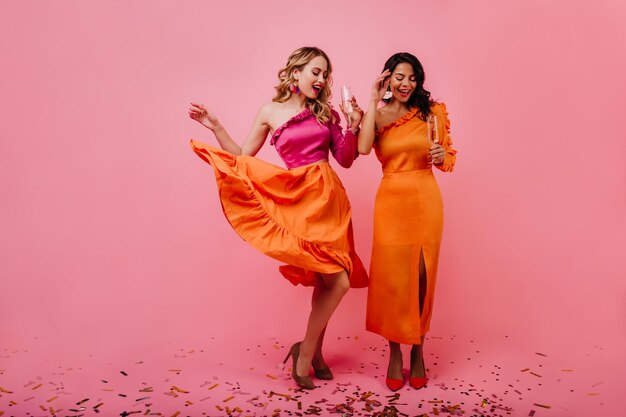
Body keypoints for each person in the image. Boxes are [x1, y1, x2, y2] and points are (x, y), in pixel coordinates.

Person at [188, 47, 368, 390]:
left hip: (330, 201)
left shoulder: (327, 113)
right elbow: (242, 155)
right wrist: (215, 126)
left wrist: (354, 126)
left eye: (325, 74)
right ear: (295, 73)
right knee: (334, 281)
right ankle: (307, 353)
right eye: (315, 71)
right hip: (298, 199)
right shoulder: (269, 111)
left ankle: (310, 353)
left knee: (331, 281)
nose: (321, 79)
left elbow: (345, 158)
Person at [357, 52, 457, 391]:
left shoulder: (432, 112)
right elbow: (363, 147)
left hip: (425, 199)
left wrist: (441, 156)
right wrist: (372, 101)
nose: (406, 84)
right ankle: (395, 354)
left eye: (413, 78)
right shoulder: (379, 115)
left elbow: (445, 158)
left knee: (421, 278)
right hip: (391, 202)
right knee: (393, 280)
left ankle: (418, 350)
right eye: (400, 77)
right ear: (387, 78)